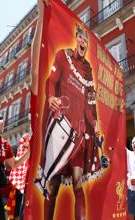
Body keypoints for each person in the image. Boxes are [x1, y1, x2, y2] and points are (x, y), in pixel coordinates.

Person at [32, 1, 104, 219]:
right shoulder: (63, 56)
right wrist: (51, 97)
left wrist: (97, 123)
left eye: (86, 40)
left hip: (80, 136)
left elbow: (91, 102)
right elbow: (51, 81)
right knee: (52, 185)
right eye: (81, 37)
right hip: (60, 127)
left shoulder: (89, 71)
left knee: (78, 184)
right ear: (76, 39)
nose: (84, 41)